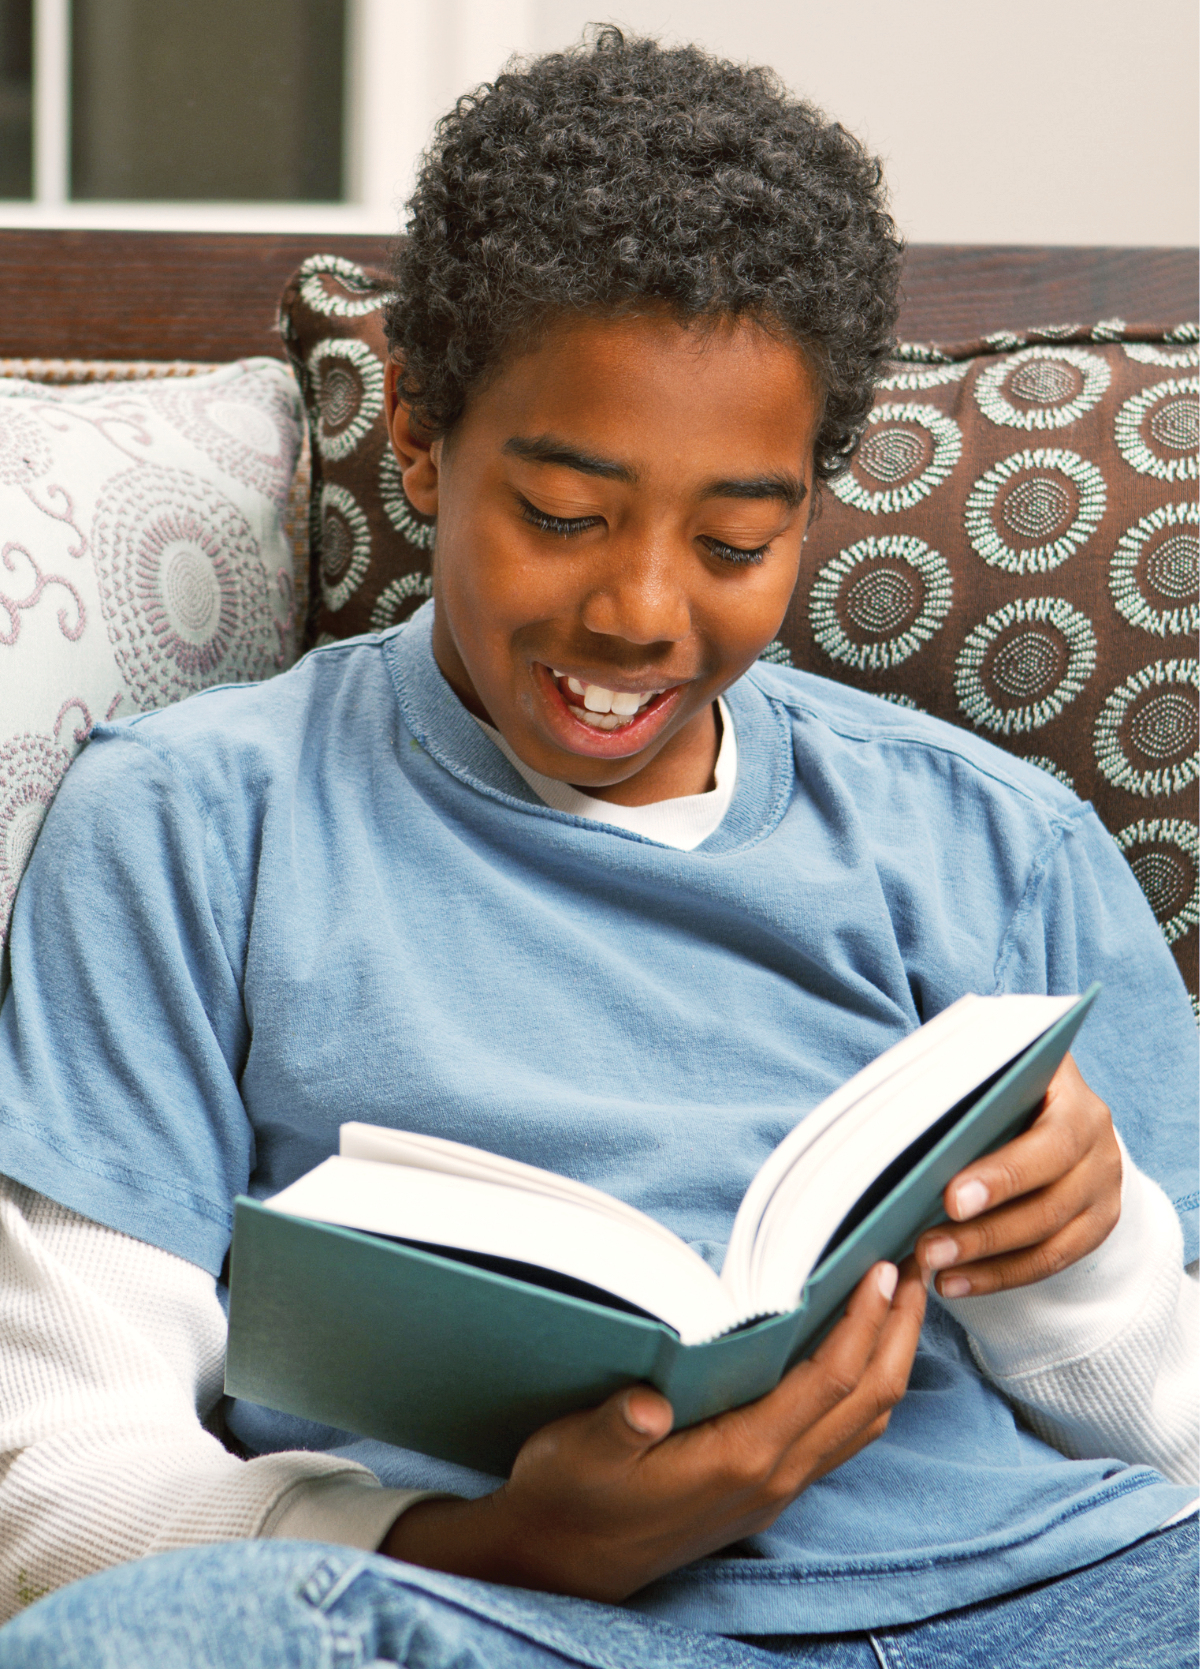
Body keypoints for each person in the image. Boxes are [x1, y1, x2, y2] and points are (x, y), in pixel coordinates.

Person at [0, 29, 1195, 1669]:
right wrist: (506, 1543)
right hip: (511, 1626)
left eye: (735, 541)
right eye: (562, 514)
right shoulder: (196, 826)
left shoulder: (995, 843)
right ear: (419, 436)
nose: (639, 612)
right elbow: (62, 1494)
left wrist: (1083, 1253)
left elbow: (1178, 1434)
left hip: (1055, 1601)